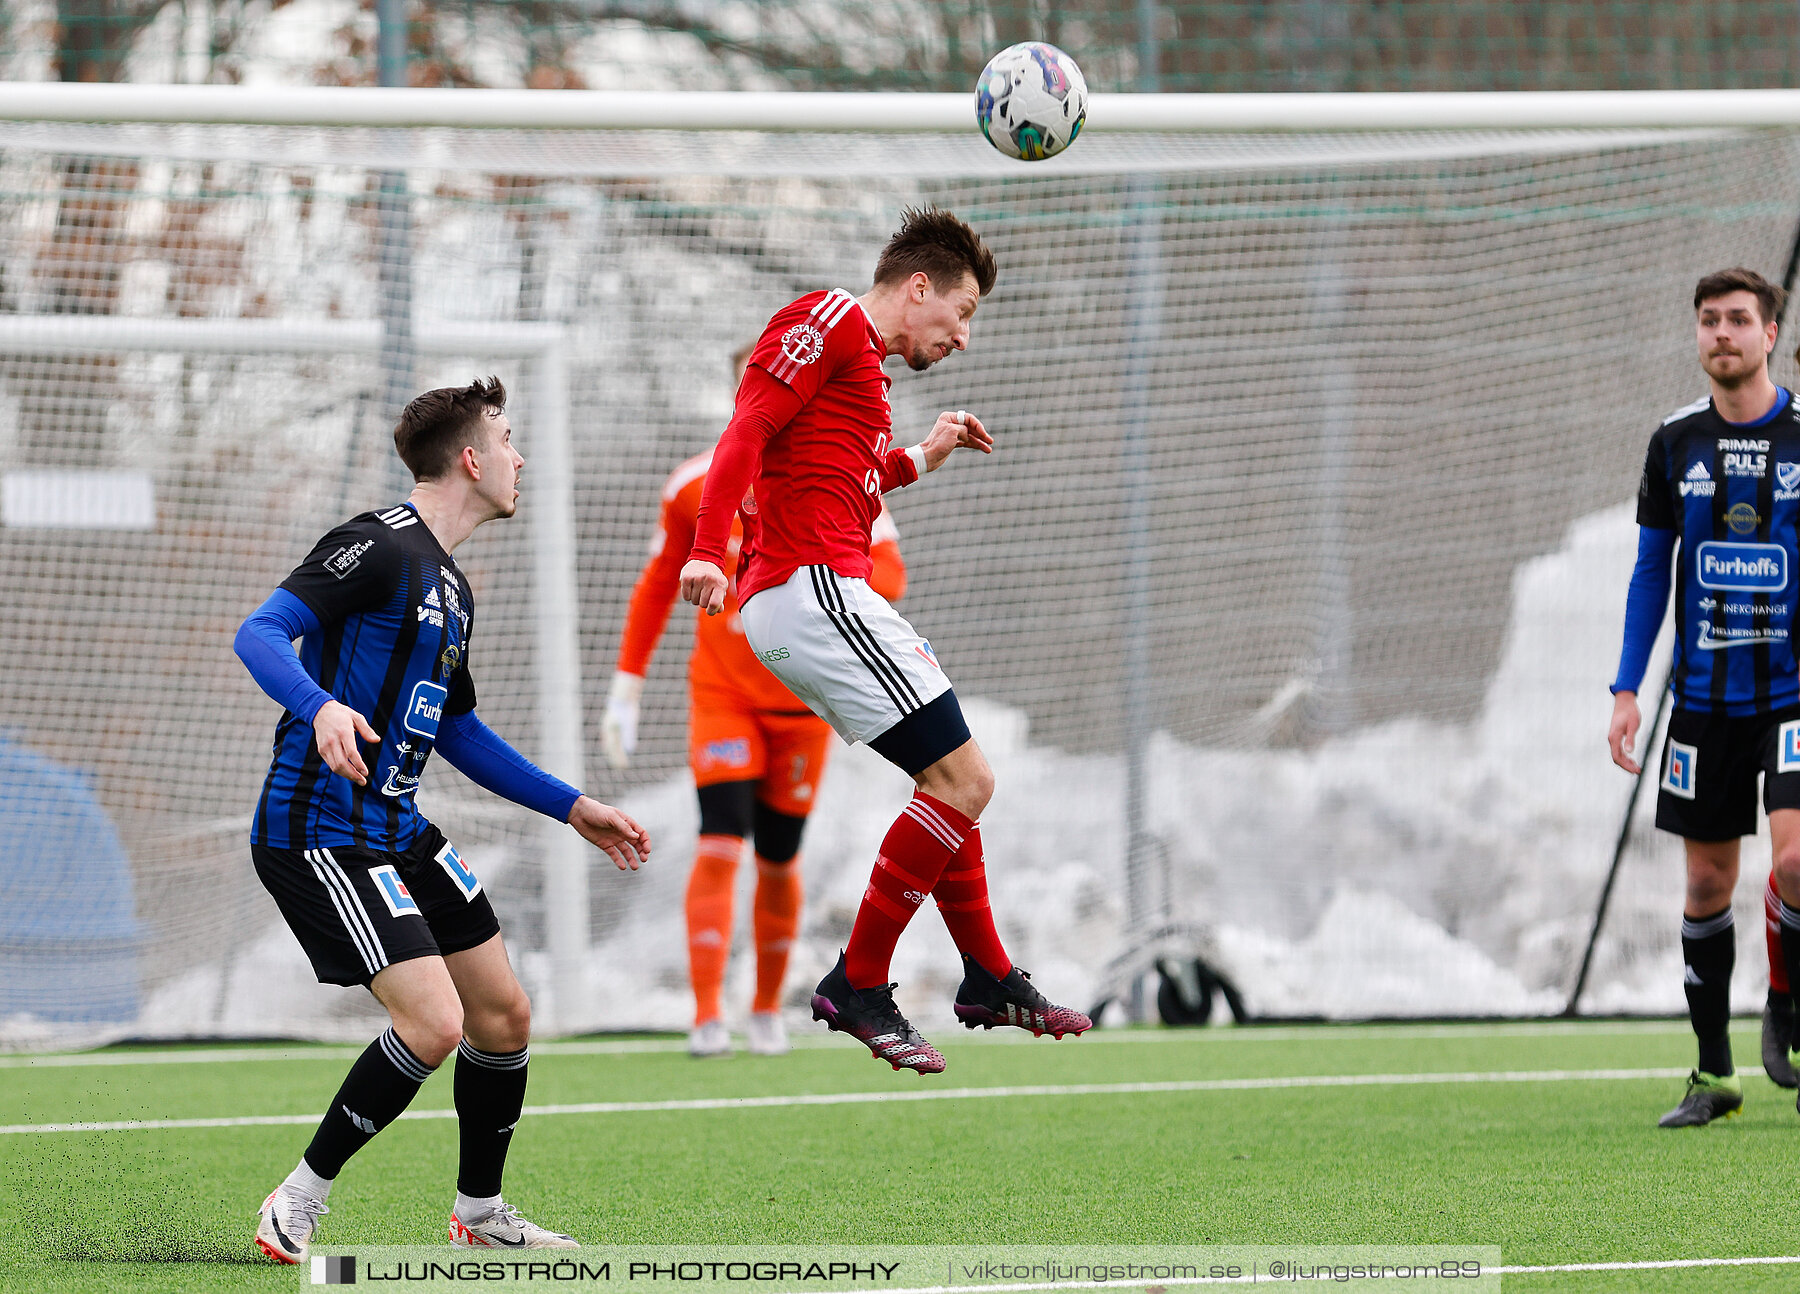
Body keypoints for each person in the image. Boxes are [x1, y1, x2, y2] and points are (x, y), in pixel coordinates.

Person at [235, 377, 650, 1261]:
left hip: (396, 827)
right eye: (507, 438)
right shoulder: (376, 546)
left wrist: (571, 806)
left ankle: (481, 1214)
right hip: (319, 827)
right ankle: (297, 1198)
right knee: (434, 1024)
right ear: (471, 458)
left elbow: (455, 729)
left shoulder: (454, 587)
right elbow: (261, 634)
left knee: (504, 1016)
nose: (520, 457)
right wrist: (319, 707)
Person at [677, 206, 1091, 1075]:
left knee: (949, 784)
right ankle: (858, 980)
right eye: (964, 311)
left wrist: (922, 456)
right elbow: (746, 430)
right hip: (808, 589)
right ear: (917, 288)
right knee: (969, 776)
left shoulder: (864, 371)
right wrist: (707, 550)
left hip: (813, 595)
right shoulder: (826, 320)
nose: (964, 337)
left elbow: (845, 478)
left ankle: (986, 973)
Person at [603, 345, 908, 1059]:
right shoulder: (692, 485)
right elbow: (656, 584)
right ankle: (708, 1014)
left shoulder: (844, 476)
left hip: (803, 705)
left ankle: (767, 1007)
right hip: (724, 698)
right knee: (719, 841)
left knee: (778, 859)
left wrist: (809, 570)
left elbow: (891, 573)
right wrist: (627, 682)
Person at [1609, 267, 1800, 1127]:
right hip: (1703, 703)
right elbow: (1653, 571)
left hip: (1794, 692)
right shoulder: (1673, 442)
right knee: (1706, 884)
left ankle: (1789, 1004)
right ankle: (1713, 1074)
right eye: (1708, 322)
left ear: (1770, 334)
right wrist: (1625, 688)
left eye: (1737, 321)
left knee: (1796, 862)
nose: (1721, 334)